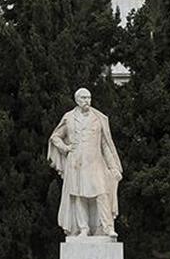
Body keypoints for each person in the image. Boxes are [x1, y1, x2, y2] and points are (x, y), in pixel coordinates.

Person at [47, 88, 123, 238]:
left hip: (96, 162)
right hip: (76, 163)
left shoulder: (98, 118)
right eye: (83, 98)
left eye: (88, 98)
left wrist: (113, 167)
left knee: (102, 193)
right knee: (78, 195)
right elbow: (55, 137)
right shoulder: (68, 118)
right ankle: (83, 228)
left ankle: (107, 227)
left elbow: (105, 145)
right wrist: (66, 148)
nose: (87, 101)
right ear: (76, 100)